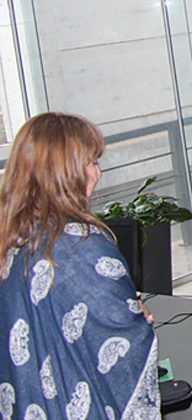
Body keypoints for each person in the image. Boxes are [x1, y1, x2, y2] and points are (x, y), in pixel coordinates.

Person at [0, 113, 160, 417]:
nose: (97, 174)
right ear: (65, 171)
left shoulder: (12, 237)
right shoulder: (82, 245)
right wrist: (134, 315)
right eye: (91, 162)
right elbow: (125, 345)